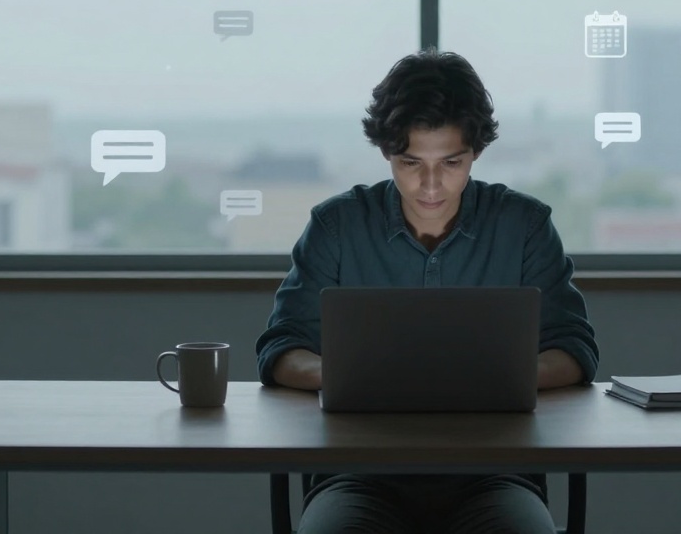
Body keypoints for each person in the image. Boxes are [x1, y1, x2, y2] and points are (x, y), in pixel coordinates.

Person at [255, 47, 598, 534]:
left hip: (495, 477)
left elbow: (575, 350)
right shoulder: (337, 226)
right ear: (386, 152)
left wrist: (482, 377)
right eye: (411, 162)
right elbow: (280, 348)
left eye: (451, 162)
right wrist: (354, 377)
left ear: (476, 150)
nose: (431, 185)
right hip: (357, 477)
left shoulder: (523, 226)